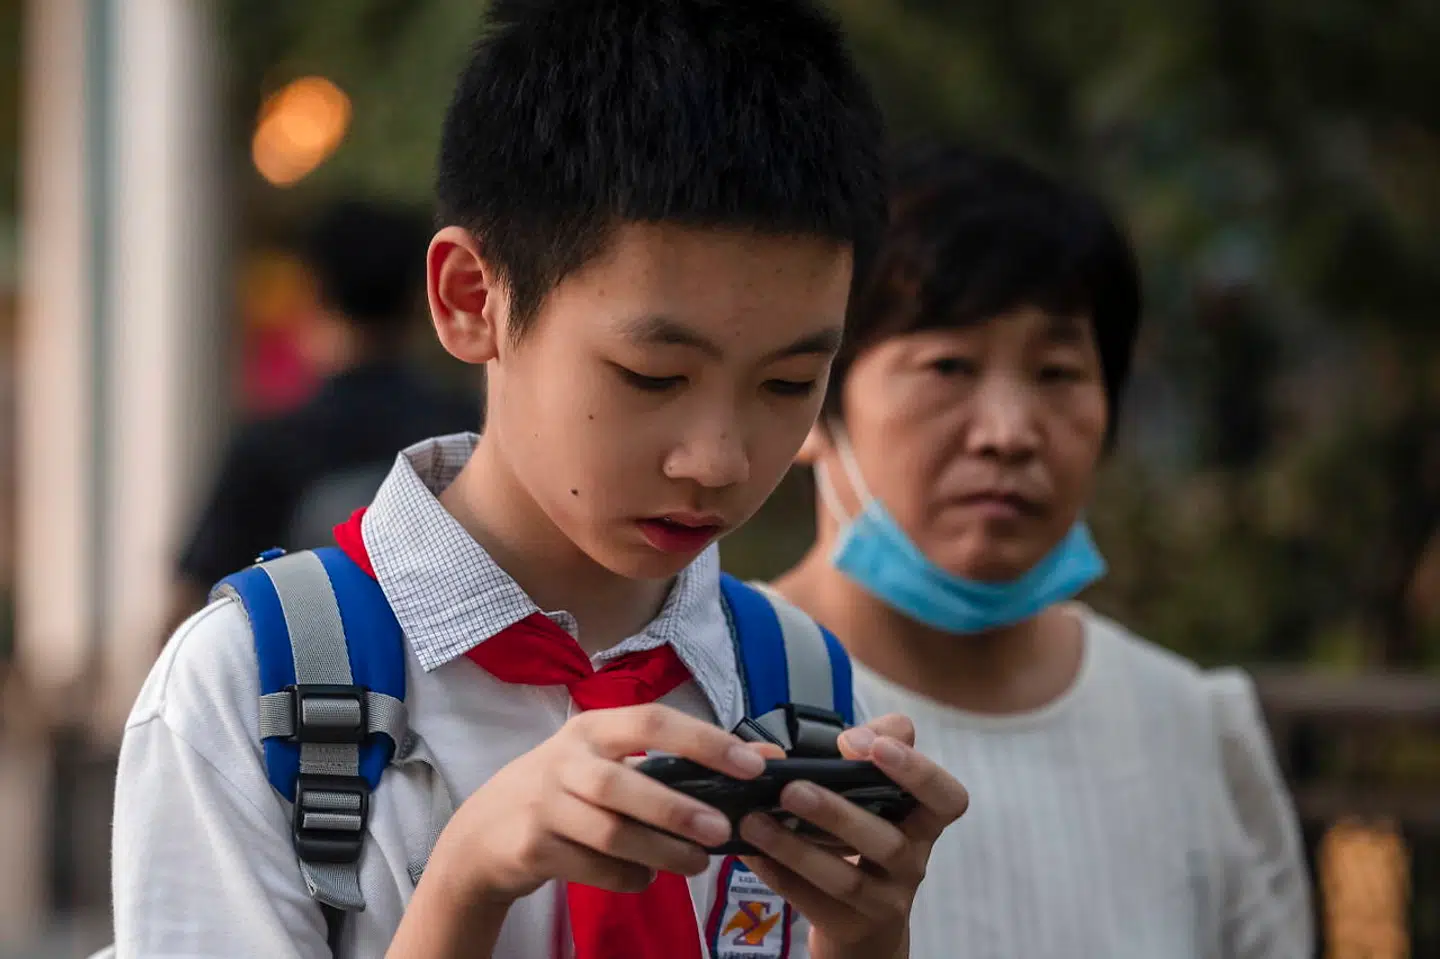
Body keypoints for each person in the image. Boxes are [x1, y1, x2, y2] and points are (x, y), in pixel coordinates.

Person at [108, 3, 970, 958]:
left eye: (788, 383)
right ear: (471, 299)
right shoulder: (252, 686)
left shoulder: (798, 688)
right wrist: (465, 884)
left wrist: (867, 937)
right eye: (653, 377)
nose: (718, 459)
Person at [773, 142, 1313, 958]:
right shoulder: (707, 696)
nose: (1010, 433)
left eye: (1058, 371)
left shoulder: (1194, 731)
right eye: (948, 364)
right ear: (812, 401)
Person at [171, 198, 478, 626]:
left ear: (312, 291)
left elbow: (190, 608)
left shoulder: (270, 447)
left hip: (297, 682)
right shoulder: (467, 431)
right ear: (420, 300)